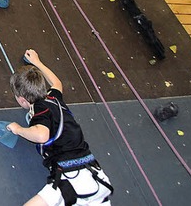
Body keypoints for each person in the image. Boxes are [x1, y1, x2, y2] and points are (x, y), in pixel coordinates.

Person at [7, 49, 113, 205]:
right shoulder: (54, 98)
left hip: (73, 179)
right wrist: (37, 62)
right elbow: (57, 82)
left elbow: (41, 135)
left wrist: (18, 129)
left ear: (22, 100)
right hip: (95, 176)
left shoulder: (39, 108)